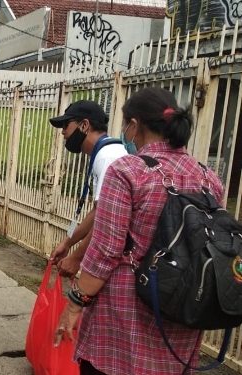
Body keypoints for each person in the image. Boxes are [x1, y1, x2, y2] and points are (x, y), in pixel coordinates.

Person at [54, 87, 224, 374]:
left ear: (134, 126)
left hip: (125, 314)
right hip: (181, 310)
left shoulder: (127, 171)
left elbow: (106, 250)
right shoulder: (208, 177)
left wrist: (75, 304)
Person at [48, 101, 128, 277]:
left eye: (65, 126)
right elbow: (97, 211)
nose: (63, 133)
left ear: (84, 125)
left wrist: (76, 258)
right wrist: (68, 243)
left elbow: (104, 219)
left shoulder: (107, 157)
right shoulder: (105, 152)